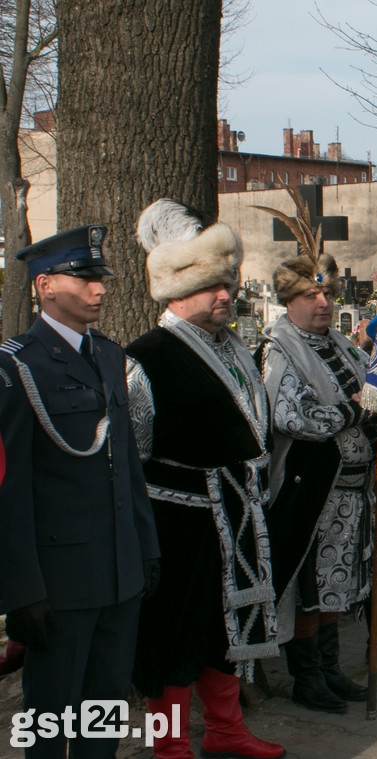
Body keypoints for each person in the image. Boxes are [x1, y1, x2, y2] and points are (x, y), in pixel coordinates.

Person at [126, 199, 284, 759]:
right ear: (175, 290)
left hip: (235, 515)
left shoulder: (236, 347)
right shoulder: (145, 358)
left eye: (230, 282)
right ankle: (168, 748)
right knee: (174, 640)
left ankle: (225, 729)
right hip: (177, 522)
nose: (227, 294)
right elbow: (132, 456)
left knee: (226, 633)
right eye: (215, 285)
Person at [0, 226, 160, 759]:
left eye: (102, 278)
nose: (100, 290)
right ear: (44, 285)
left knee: (103, 713)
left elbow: (126, 468)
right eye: (84, 278)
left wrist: (147, 547)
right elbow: (10, 489)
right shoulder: (16, 365)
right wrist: (21, 590)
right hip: (60, 579)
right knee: (50, 717)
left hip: (119, 569)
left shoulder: (110, 355)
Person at [257, 246, 374, 714]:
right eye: (311, 295)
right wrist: (354, 409)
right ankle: (306, 677)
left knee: (335, 586)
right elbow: (294, 417)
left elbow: (374, 394)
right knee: (307, 589)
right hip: (309, 493)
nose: (323, 303)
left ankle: (330, 669)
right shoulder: (278, 350)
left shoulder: (343, 347)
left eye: (326, 293)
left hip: (350, 491)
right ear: (290, 301)